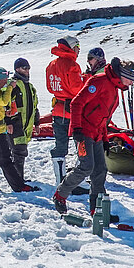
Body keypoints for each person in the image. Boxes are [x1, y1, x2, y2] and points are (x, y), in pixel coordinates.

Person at [52, 57, 134, 215]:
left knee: (100, 170)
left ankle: (97, 209)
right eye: (131, 80)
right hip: (83, 132)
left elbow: (103, 118)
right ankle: (60, 195)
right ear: (123, 74)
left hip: (97, 135)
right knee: (86, 166)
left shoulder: (114, 87)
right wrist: (76, 129)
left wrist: (106, 139)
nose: (131, 84)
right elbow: (76, 103)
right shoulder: (99, 81)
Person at [45, 35, 85, 186]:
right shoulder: (72, 65)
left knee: (60, 145)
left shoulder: (51, 64)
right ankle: (79, 180)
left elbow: (50, 87)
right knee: (81, 144)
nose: (78, 51)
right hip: (73, 112)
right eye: (77, 47)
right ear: (72, 47)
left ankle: (60, 180)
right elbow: (77, 89)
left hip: (57, 110)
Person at [6, 57, 40, 180]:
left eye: (28, 68)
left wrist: (37, 123)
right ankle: (17, 180)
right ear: (17, 69)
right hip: (15, 124)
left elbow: (35, 106)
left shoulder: (30, 86)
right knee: (19, 152)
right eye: (24, 68)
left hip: (26, 125)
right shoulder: (13, 85)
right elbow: (5, 104)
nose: (27, 71)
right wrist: (8, 122)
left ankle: (18, 179)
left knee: (20, 152)